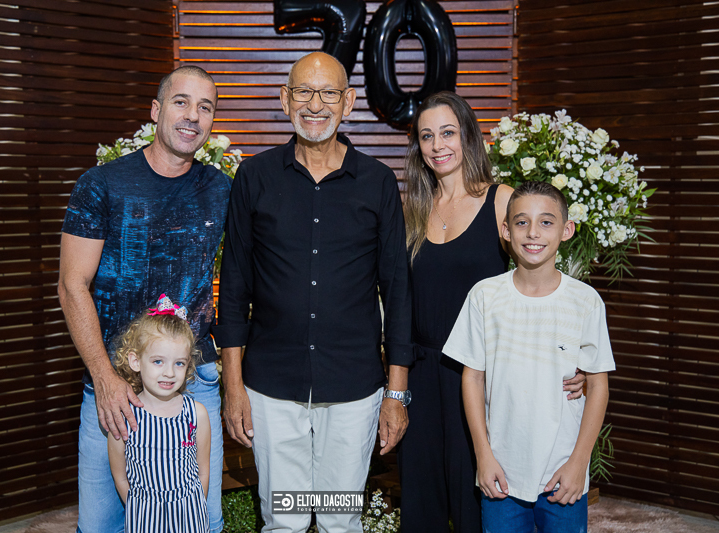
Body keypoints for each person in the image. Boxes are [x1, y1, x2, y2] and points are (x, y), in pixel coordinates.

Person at [213, 51, 412, 533]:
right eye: (303, 91)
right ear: (285, 99)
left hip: (353, 387)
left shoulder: (377, 182)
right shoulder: (255, 177)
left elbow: (398, 291)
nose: (315, 104)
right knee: (286, 518)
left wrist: (397, 393)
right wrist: (233, 387)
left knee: (339, 518)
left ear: (349, 102)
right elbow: (234, 286)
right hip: (271, 386)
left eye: (328, 93)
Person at [398, 91, 585, 533]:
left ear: (468, 136)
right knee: (421, 504)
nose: (438, 145)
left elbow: (546, 273)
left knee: (478, 501)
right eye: (427, 136)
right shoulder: (413, 210)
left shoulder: (501, 200)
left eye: (448, 132)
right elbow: (399, 296)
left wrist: (573, 354)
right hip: (421, 375)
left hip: (481, 376)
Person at [58, 66, 231, 533]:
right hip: (115, 386)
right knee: (104, 524)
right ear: (156, 110)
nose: (192, 115)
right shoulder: (101, 184)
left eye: (205, 107)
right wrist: (104, 377)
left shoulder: (222, 189)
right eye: (181, 102)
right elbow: (72, 285)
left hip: (193, 383)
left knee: (200, 518)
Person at [445, 181, 615, 532]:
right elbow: (472, 377)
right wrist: (483, 456)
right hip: (502, 474)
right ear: (506, 230)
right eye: (522, 222)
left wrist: (578, 463)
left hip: (563, 472)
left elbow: (598, 385)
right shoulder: (484, 296)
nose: (533, 232)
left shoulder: (585, 302)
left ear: (566, 230)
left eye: (546, 222)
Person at [108, 295, 211, 533]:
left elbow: (203, 470)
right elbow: (120, 476)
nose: (169, 373)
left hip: (190, 518)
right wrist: (140, 508)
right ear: (136, 361)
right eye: (158, 361)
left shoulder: (197, 414)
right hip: (144, 519)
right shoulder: (124, 416)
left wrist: (194, 508)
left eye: (179, 363)